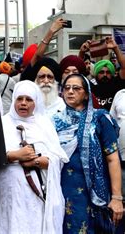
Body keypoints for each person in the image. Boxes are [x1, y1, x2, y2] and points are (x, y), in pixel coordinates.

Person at [0, 80, 68, 233]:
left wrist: (35, 161)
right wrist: (15, 155)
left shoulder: (44, 125)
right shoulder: (2, 124)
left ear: (36, 102)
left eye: (29, 99)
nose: (24, 103)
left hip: (36, 197)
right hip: (8, 195)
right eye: (20, 99)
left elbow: (58, 159)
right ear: (14, 101)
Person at [52, 74, 123, 232]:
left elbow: (113, 159)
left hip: (94, 194)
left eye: (76, 88)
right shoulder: (54, 122)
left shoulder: (100, 119)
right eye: (67, 88)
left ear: (86, 94)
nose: (70, 92)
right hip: (63, 192)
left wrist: (117, 198)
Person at [80, 37, 125, 111]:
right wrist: (82, 52)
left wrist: (115, 48)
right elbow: (77, 73)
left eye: (108, 72)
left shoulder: (117, 84)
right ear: (96, 74)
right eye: (101, 72)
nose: (105, 75)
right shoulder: (90, 86)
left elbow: (124, 67)